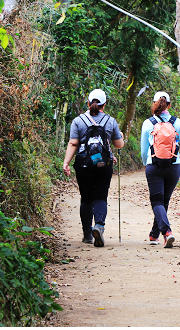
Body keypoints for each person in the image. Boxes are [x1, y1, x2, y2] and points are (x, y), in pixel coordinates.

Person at [63, 89, 124, 247]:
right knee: (101, 197)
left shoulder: (78, 121)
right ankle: (99, 226)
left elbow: (73, 143)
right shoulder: (110, 121)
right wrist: (121, 137)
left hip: (83, 164)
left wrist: (66, 163)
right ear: (105, 104)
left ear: (88, 103)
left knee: (86, 199)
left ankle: (87, 234)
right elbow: (118, 145)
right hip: (104, 165)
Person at [140, 91, 180, 248]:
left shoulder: (148, 123)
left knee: (157, 201)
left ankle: (167, 232)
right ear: (169, 105)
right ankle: (154, 235)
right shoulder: (176, 122)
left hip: (154, 166)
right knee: (164, 201)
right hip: (173, 167)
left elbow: (144, 151)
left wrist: (146, 162)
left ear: (154, 103)